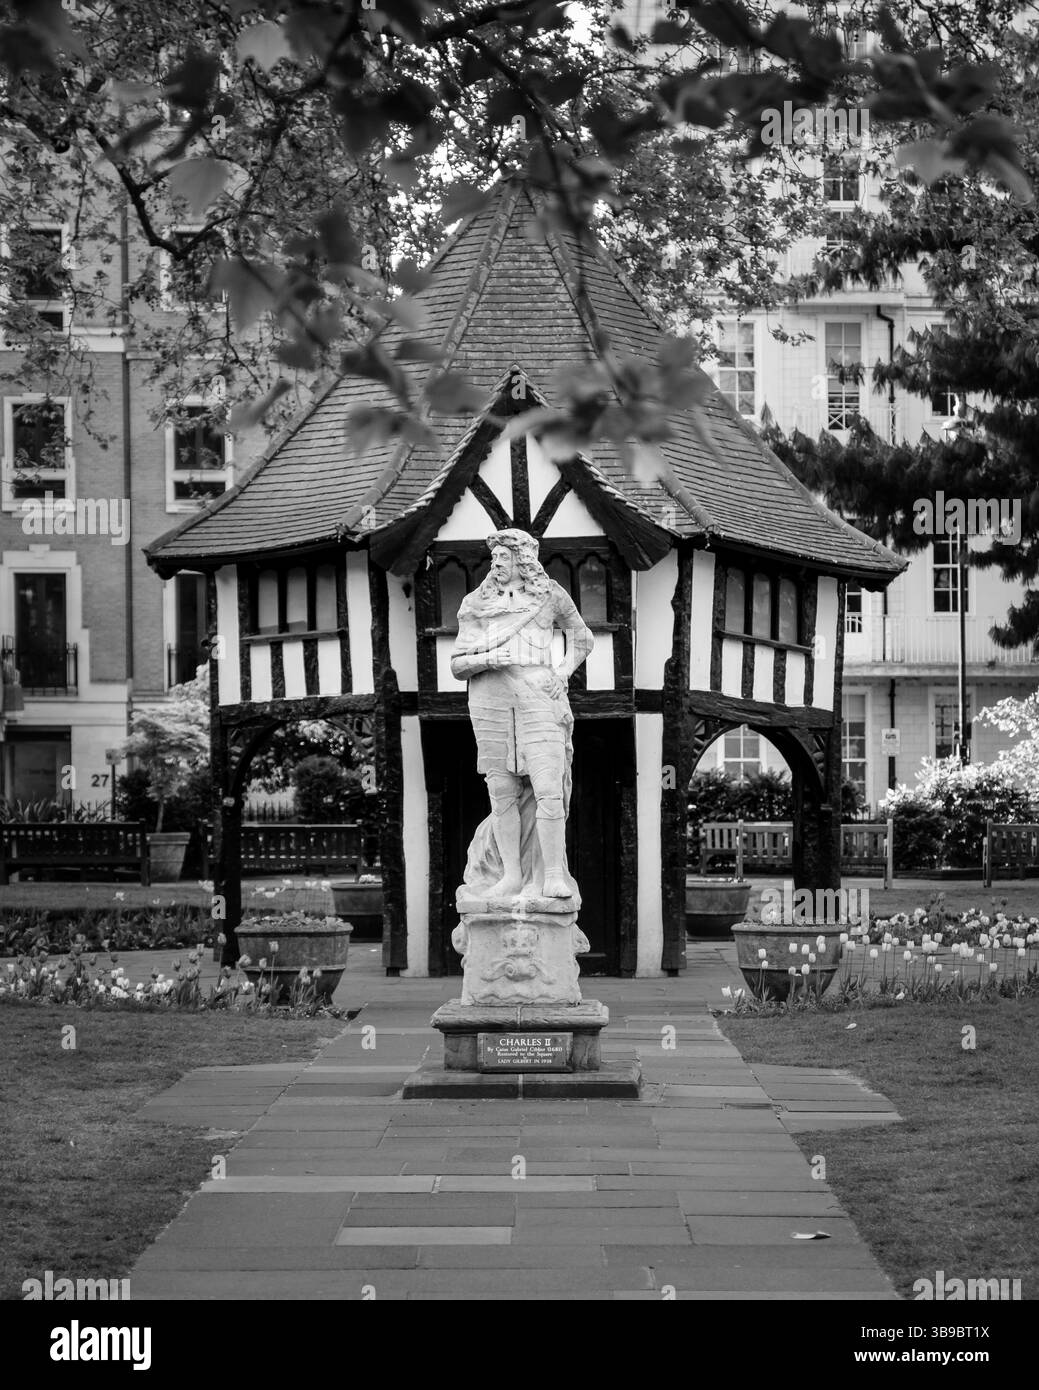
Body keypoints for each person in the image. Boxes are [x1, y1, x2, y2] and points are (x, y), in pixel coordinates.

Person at [450, 528, 593, 899]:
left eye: (504, 556)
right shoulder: (475, 603)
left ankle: (553, 875)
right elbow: (458, 664)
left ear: (522, 559)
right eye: (494, 556)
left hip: (537, 693)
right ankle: (511, 875)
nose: (496, 562)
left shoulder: (549, 595)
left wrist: (562, 673)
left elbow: (582, 637)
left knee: (548, 789)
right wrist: (487, 659)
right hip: (490, 698)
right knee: (501, 790)